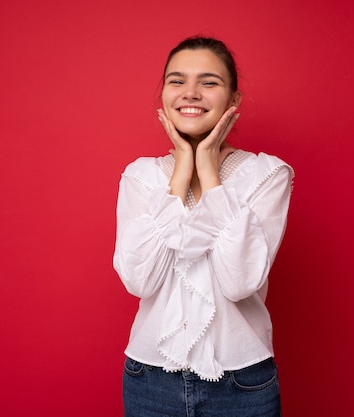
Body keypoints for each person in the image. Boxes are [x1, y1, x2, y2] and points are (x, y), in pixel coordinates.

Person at [113, 36, 294, 417]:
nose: (190, 92)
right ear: (163, 93)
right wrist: (181, 169)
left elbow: (239, 282)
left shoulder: (267, 174)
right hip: (148, 380)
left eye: (209, 82)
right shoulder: (141, 176)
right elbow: (139, 282)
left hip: (243, 384)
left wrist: (208, 168)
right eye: (176, 81)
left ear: (234, 100)